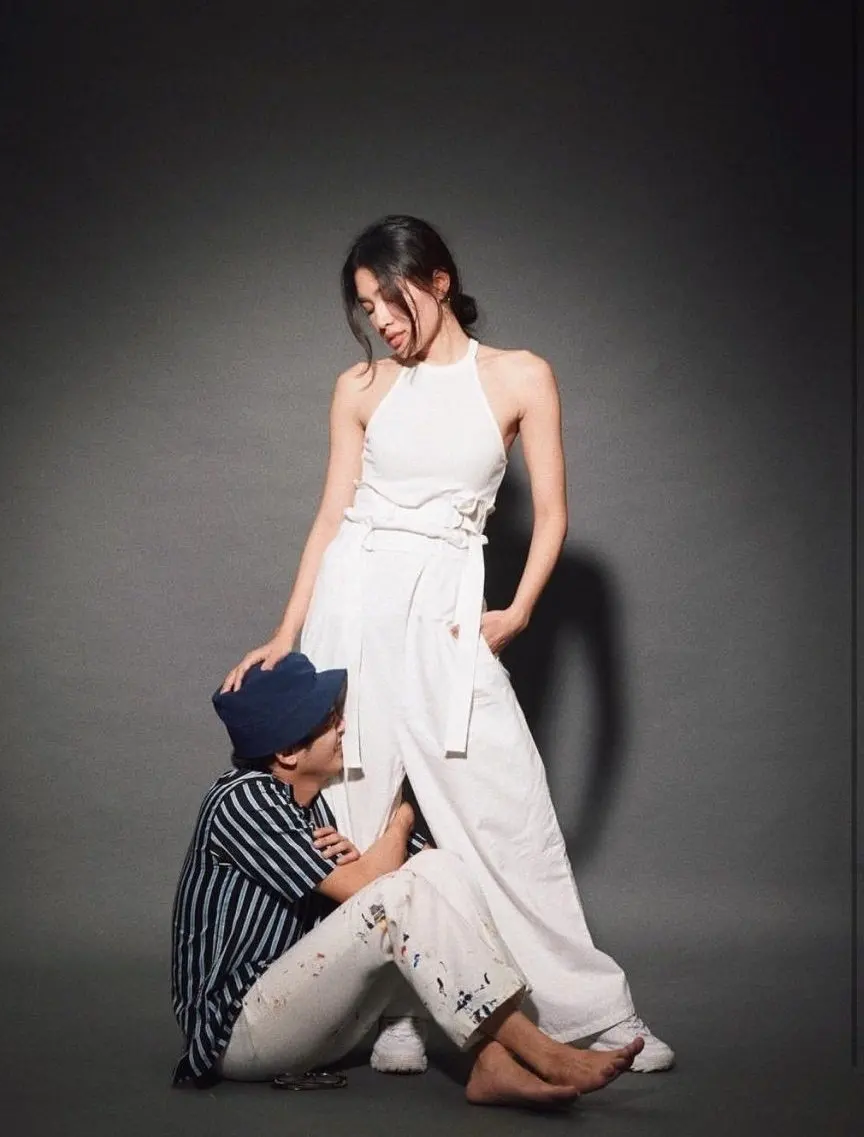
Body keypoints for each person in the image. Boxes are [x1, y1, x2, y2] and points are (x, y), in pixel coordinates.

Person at [220, 215, 674, 1072]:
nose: (381, 321)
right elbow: (330, 516)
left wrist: (520, 610)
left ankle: (596, 1016)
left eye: (390, 300)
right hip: (355, 600)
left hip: (445, 607)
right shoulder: (359, 387)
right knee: (359, 810)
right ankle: (401, 1012)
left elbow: (554, 515)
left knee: (502, 810)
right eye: (366, 308)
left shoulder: (520, 375)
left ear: (437, 280)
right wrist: (287, 632)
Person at [172, 651, 643, 1109]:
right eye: (327, 721)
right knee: (395, 894)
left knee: (439, 868)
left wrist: (375, 862)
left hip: (310, 1019)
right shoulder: (241, 799)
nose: (342, 726)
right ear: (287, 751)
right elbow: (370, 888)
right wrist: (401, 819)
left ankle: (492, 1061)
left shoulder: (316, 806)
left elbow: (421, 874)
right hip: (239, 1032)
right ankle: (543, 1052)